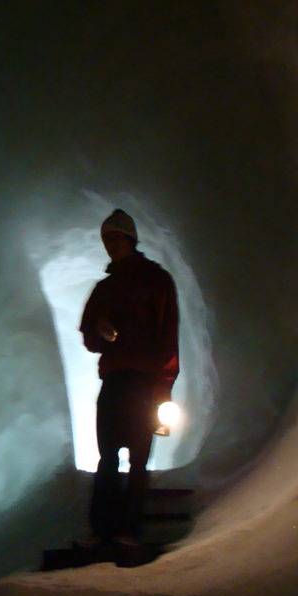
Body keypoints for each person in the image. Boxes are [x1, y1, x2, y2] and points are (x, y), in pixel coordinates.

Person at [78, 209, 179, 548]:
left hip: (143, 380)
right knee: (108, 455)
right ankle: (103, 530)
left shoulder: (156, 280)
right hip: (115, 379)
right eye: (105, 239)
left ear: (129, 239)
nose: (109, 245)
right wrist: (99, 330)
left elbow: (167, 335)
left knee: (137, 456)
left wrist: (163, 387)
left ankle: (128, 531)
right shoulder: (105, 288)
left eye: (114, 237)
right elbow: (90, 333)